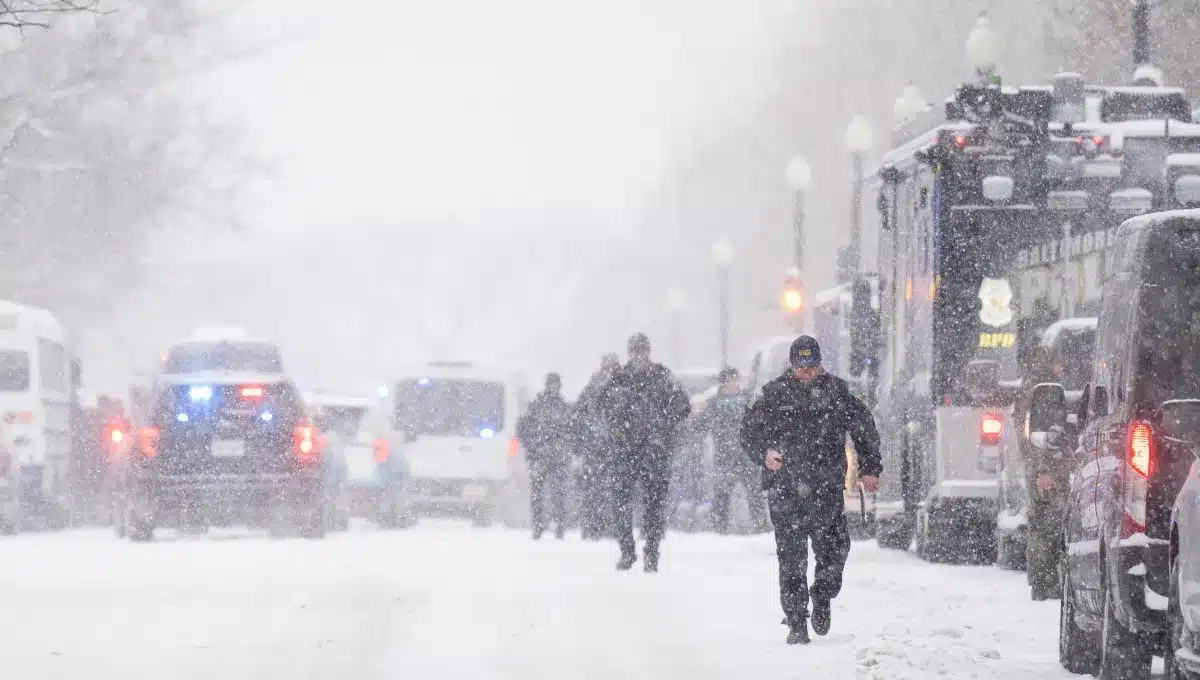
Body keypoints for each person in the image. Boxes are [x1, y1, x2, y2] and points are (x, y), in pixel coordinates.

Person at [740, 336, 882, 645]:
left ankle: (822, 595)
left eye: (813, 366)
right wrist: (764, 453)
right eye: (802, 366)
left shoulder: (837, 393)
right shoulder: (773, 396)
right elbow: (748, 432)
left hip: (826, 489)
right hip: (786, 489)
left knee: (835, 552)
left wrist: (870, 469)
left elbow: (864, 429)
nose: (807, 372)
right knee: (791, 558)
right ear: (792, 365)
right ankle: (795, 620)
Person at [600, 333, 691, 572]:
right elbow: (601, 406)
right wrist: (619, 428)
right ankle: (628, 551)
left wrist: (663, 428)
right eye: (635, 351)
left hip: (653, 450)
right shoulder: (619, 378)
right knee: (622, 502)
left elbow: (683, 406)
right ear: (630, 353)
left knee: (653, 504)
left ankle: (651, 552)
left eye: (642, 351)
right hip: (626, 449)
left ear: (647, 352)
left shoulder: (661, 377)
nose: (639, 356)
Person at [695, 367, 768, 534]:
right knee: (722, 495)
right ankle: (719, 528)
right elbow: (699, 425)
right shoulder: (715, 404)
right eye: (729, 381)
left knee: (754, 493)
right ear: (723, 384)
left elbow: (761, 421)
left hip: (746, 456)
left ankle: (760, 527)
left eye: (735, 380)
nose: (733, 384)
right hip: (725, 457)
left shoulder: (747, 400)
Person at [517, 372, 575, 540]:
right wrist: (534, 447)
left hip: (553, 458)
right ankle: (541, 525)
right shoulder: (541, 406)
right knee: (542, 494)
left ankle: (556, 526)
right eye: (552, 384)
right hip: (542, 457)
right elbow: (524, 429)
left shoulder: (559, 407)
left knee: (555, 494)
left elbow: (570, 432)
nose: (553, 387)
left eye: (555, 384)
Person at [575, 353, 621, 540]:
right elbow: (577, 418)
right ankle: (592, 526)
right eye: (607, 367)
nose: (609, 371)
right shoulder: (592, 389)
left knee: (613, 489)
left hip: (613, 448)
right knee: (594, 489)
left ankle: (608, 525)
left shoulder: (621, 388)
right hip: (595, 449)